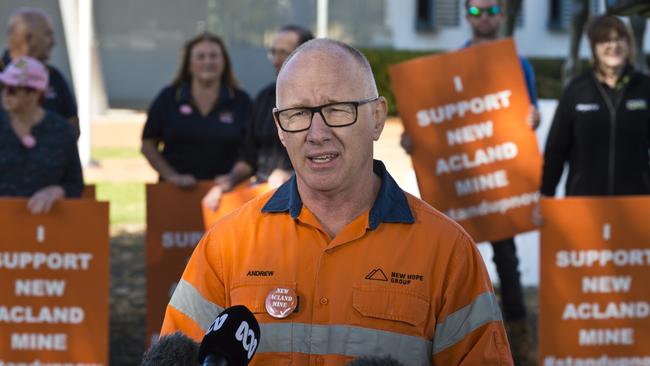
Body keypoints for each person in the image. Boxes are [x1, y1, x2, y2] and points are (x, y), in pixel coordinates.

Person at [161, 39, 513, 365]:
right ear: (280, 128)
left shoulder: (448, 252)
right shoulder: (226, 246)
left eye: (337, 109)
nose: (317, 133)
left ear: (376, 117)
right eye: (298, 114)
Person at [400, 1, 538, 364]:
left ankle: (518, 343)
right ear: (466, 16)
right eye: (476, 11)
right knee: (455, 262)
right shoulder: (449, 66)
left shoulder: (518, 65)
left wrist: (532, 117)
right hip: (459, 183)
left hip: (500, 183)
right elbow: (431, 122)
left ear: (502, 14)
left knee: (508, 263)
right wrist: (413, 139)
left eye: (490, 9)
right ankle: (452, 338)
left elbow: (529, 115)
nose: (485, 17)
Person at [203, 25, 313, 210]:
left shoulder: (322, 100)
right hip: (264, 197)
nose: (276, 61)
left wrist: (291, 174)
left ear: (304, 56)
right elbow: (249, 157)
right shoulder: (264, 98)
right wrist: (226, 183)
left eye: (283, 53)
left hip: (307, 201)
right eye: (274, 53)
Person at [542, 15, 650, 198]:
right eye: (605, 40)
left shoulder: (644, 88)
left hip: (635, 203)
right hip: (584, 203)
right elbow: (556, 149)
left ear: (628, 44)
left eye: (619, 39)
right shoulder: (577, 90)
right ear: (594, 47)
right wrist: (546, 192)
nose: (613, 46)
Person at [141, 33, 251, 188]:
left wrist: (232, 178)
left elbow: (253, 149)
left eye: (214, 56)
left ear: (224, 61)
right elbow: (148, 144)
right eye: (200, 56)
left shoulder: (241, 101)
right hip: (175, 193)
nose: (208, 61)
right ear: (189, 63)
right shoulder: (169, 98)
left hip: (227, 194)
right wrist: (172, 177)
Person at [0, 56, 83, 214]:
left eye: (12, 89)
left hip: (45, 226)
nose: (5, 94)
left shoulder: (61, 130)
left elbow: (75, 184)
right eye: (3, 86)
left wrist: (58, 191)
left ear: (34, 93)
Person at [2, 7, 78, 137]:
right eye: (47, 34)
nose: (53, 42)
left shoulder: (54, 77)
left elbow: (73, 127)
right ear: (28, 38)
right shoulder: (2, 74)